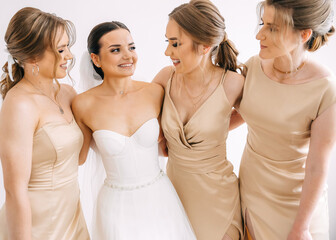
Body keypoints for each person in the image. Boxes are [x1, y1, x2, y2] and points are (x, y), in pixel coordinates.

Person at [72, 21, 196, 240]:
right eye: (116, 50)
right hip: (115, 206)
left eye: (131, 47)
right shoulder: (83, 105)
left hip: (159, 198)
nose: (128, 56)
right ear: (96, 59)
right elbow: (78, 159)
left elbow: (169, 144)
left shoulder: (154, 92)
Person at [230, 0, 336, 239]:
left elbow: (318, 166)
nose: (259, 34)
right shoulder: (253, 68)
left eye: (272, 28)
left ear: (304, 34)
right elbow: (232, 117)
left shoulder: (325, 89)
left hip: (298, 206)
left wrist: (302, 227)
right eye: (262, 23)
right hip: (252, 195)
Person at [152, 0, 246, 239]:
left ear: (204, 46)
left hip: (218, 199)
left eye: (175, 43)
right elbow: (142, 118)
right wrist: (161, 136)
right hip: (173, 195)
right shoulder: (164, 78)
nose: (167, 52)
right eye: (168, 42)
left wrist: (220, 127)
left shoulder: (232, 83)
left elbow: (258, 117)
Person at [0, 7, 89, 240]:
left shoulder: (68, 93)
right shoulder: (19, 105)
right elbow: (14, 190)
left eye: (68, 46)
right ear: (32, 57)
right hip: (36, 225)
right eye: (60, 49)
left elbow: (79, 158)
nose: (69, 55)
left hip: (72, 217)